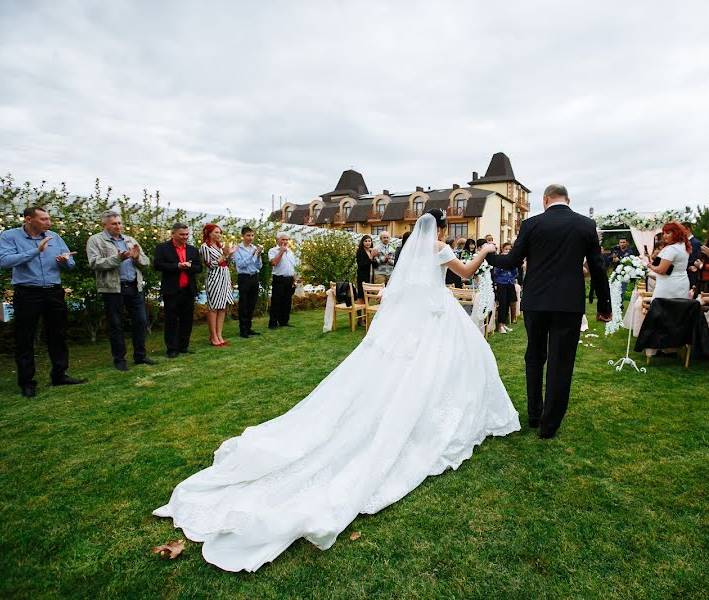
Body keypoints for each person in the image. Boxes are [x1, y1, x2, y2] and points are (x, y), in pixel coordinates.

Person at [153, 209, 519, 572]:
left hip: (417, 317)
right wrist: (485, 252)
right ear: (439, 228)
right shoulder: (440, 247)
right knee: (443, 368)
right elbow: (466, 273)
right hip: (436, 315)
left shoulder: (413, 251)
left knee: (412, 372)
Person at [485, 184, 611, 439]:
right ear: (568, 199)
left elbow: (511, 261)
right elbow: (597, 266)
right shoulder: (586, 224)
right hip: (568, 303)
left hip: (536, 302)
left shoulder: (531, 224)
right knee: (560, 362)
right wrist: (604, 304)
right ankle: (549, 425)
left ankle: (534, 414)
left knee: (534, 355)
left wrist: (489, 256)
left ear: (545, 200)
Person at [0, 206, 85, 397]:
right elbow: (4, 261)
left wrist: (65, 261)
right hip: (28, 293)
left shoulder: (54, 236)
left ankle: (59, 375)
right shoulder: (10, 236)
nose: (49, 222)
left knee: (58, 335)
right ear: (29, 219)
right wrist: (36, 251)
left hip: (54, 292)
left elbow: (71, 263)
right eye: (44, 219)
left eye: (49, 219)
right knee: (25, 338)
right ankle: (27, 382)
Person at [86, 209, 156, 371]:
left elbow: (145, 263)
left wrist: (137, 257)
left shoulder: (130, 240)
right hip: (113, 289)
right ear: (105, 225)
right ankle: (119, 359)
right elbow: (95, 263)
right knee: (116, 325)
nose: (118, 226)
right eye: (114, 224)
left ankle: (140, 355)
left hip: (134, 286)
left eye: (119, 223)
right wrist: (118, 258)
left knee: (141, 321)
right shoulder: (96, 240)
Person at [154, 223, 202, 358]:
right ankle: (172, 348)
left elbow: (199, 268)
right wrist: (177, 266)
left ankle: (183, 346)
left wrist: (189, 267)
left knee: (187, 319)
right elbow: (157, 265)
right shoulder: (163, 248)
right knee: (171, 320)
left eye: (187, 234)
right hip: (172, 289)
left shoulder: (193, 250)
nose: (185, 237)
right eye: (182, 234)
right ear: (173, 234)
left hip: (188, 289)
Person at [200, 224, 235, 346]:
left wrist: (229, 254)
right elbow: (210, 265)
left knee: (222, 307)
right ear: (209, 233)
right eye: (216, 232)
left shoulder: (220, 246)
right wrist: (224, 255)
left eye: (220, 232)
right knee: (214, 307)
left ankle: (219, 334)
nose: (219, 235)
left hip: (224, 276)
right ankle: (213, 336)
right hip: (214, 278)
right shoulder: (205, 247)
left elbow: (227, 262)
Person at [232, 227, 263, 338]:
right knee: (244, 303)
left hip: (254, 277)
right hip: (244, 277)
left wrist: (258, 256)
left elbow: (259, 266)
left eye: (252, 235)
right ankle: (243, 329)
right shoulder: (237, 249)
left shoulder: (254, 248)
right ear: (242, 236)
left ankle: (249, 327)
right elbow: (240, 264)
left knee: (252, 303)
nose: (251, 238)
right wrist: (252, 255)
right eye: (248, 235)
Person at [649, 222, 690, 299]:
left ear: (676, 233)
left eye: (667, 233)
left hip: (669, 284)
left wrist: (651, 266)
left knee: (662, 308)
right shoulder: (682, 246)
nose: (664, 236)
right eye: (663, 233)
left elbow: (661, 270)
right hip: (681, 281)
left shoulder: (672, 249)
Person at [268, 232, 298, 328]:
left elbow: (292, 266)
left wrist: (294, 280)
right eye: (283, 239)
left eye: (286, 240)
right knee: (276, 301)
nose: (285, 241)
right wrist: (280, 252)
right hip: (279, 279)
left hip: (289, 279)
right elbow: (274, 263)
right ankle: (273, 322)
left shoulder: (290, 252)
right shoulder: (272, 251)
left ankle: (284, 321)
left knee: (287, 301)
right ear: (277, 240)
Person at [492, 242, 519, 333]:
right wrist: (503, 265)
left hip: (510, 282)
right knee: (502, 303)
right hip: (501, 283)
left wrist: (513, 266)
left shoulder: (512, 259)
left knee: (508, 302)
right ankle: (500, 325)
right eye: (506, 249)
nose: (508, 251)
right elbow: (496, 273)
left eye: (510, 249)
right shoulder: (500, 259)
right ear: (502, 249)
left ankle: (503, 324)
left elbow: (516, 273)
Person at [682, 222, 702, 294]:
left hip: (691, 274)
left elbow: (694, 259)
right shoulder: (685, 242)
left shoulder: (695, 243)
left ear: (688, 229)